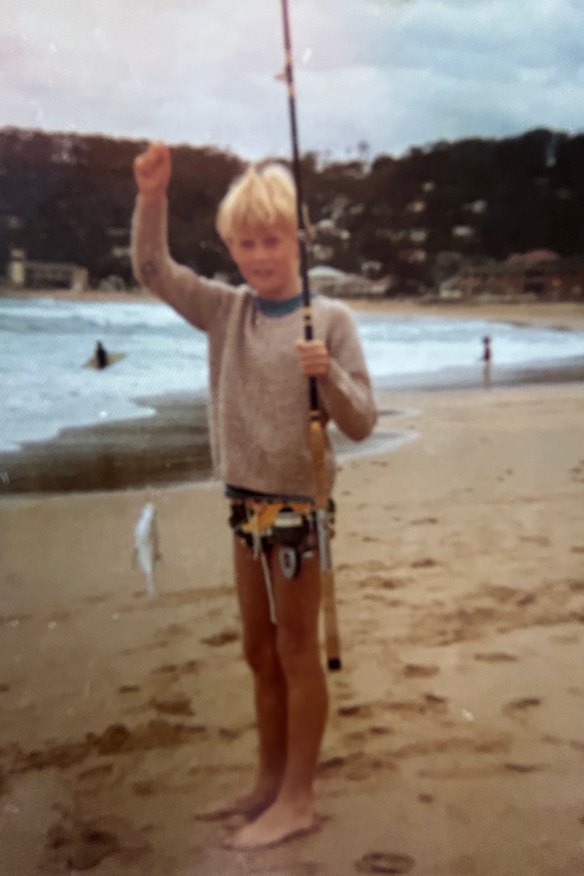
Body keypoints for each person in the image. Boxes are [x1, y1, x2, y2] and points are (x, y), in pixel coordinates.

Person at [131, 142, 377, 849]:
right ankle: (268, 784)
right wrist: (153, 199)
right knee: (257, 652)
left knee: (298, 651)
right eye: (246, 244)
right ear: (232, 248)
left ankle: (299, 798)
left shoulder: (330, 321)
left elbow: (360, 422)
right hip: (243, 507)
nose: (259, 256)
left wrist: (326, 375)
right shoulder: (225, 312)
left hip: (300, 514)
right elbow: (153, 270)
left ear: (295, 240)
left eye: (271, 240)